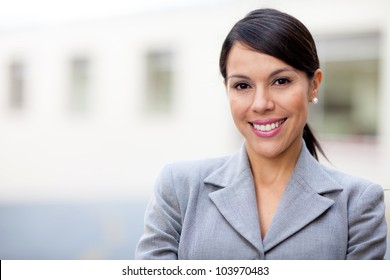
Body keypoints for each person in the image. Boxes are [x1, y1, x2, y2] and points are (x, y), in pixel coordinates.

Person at [135, 8, 387, 259]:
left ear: (314, 85)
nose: (261, 103)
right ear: (227, 90)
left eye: (280, 81)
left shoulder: (358, 204)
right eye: (242, 85)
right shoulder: (180, 189)